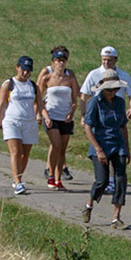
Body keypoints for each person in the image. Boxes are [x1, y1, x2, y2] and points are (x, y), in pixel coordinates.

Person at [80, 75, 131, 228]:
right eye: (109, 89)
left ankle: (116, 217)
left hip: (117, 143)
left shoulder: (120, 103)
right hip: (100, 143)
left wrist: (127, 148)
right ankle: (89, 204)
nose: (112, 92)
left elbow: (123, 125)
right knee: (102, 181)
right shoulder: (95, 102)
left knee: (120, 179)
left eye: (115, 89)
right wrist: (98, 149)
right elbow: (88, 127)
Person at [0, 57, 39, 192]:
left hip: (29, 122)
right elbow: (1, 105)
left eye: (28, 71)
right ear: (17, 67)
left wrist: (43, 116)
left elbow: (39, 104)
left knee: (25, 153)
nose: (25, 73)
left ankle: (18, 177)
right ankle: (18, 183)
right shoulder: (9, 84)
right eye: (23, 70)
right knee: (16, 151)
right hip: (12, 121)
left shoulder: (33, 86)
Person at [38, 49, 78, 189]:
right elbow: (39, 98)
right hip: (51, 115)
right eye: (57, 61)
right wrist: (42, 115)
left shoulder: (70, 79)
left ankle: (58, 178)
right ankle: (50, 173)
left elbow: (74, 100)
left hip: (66, 117)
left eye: (63, 61)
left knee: (62, 149)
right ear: (53, 63)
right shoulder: (47, 78)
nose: (60, 63)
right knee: (56, 144)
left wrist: (71, 112)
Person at [79, 47, 131, 118]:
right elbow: (84, 95)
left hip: (117, 113)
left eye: (109, 60)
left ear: (116, 59)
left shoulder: (124, 76)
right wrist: (83, 115)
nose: (106, 63)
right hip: (99, 113)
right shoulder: (93, 74)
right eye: (104, 59)